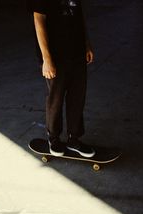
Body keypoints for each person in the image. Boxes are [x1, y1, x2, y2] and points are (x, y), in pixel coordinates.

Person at [27, 0, 95, 158]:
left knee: (77, 97)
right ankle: (54, 138)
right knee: (56, 98)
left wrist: (86, 43)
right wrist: (46, 58)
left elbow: (79, 16)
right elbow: (38, 20)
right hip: (56, 56)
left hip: (76, 52)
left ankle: (74, 138)